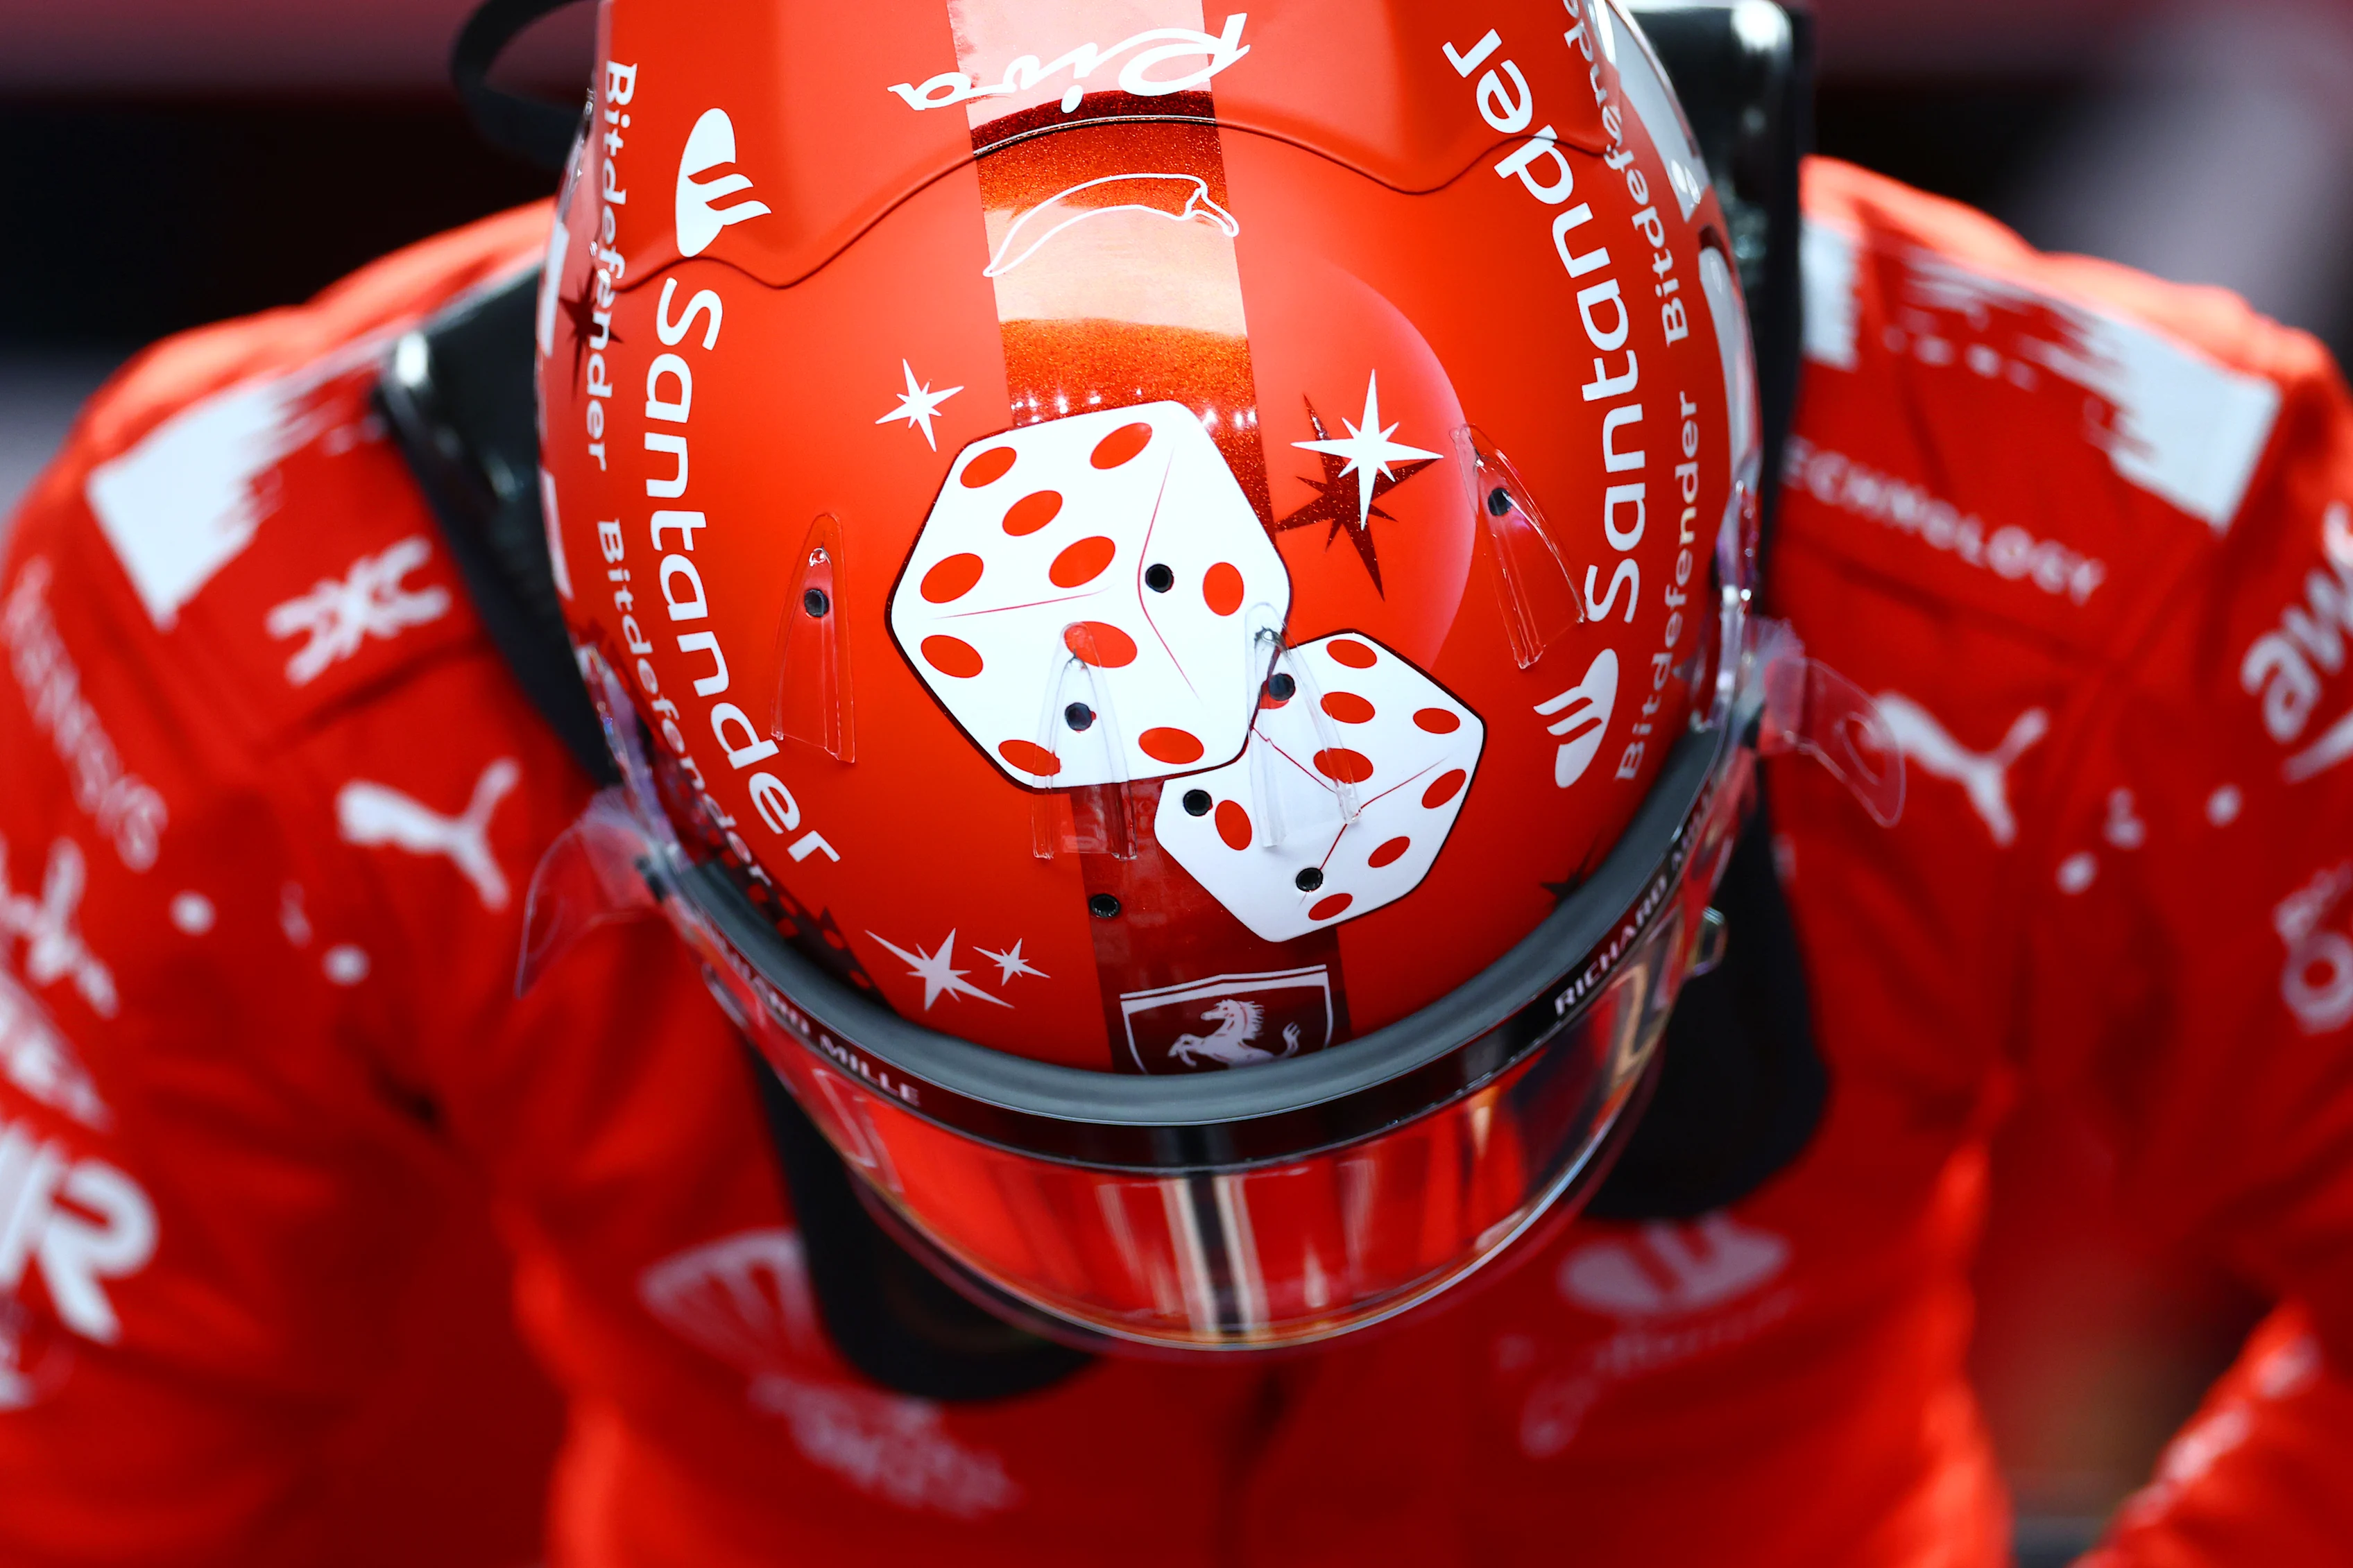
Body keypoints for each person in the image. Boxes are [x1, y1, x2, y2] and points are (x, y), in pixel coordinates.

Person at [4, 1, 2352, 1563]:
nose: (1258, 1275)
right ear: (621, 753)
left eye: (1497, 1030)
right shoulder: (234, 639)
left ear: (1739, 595)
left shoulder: (2123, 531)